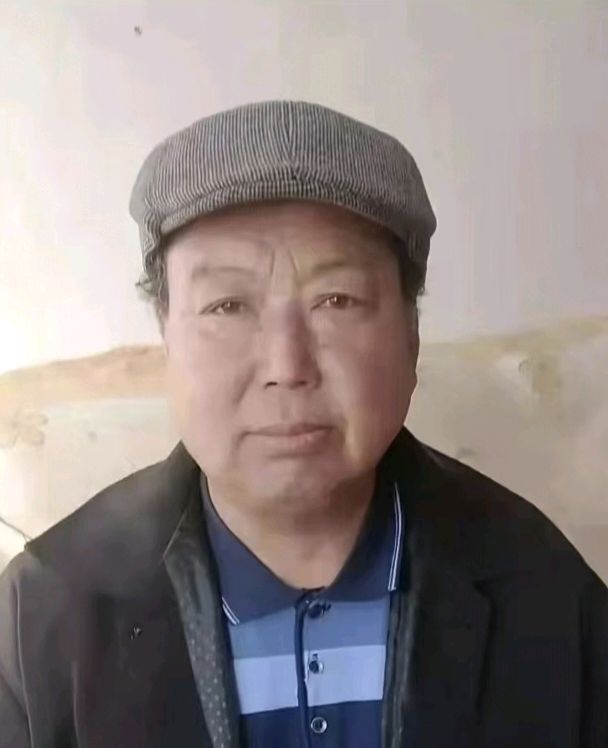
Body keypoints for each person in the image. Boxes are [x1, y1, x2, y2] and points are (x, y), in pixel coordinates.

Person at [0, 101, 606, 748]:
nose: (287, 367)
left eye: (336, 300)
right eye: (227, 306)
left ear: (411, 334)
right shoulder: (46, 611)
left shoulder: (540, 587)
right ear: (166, 336)